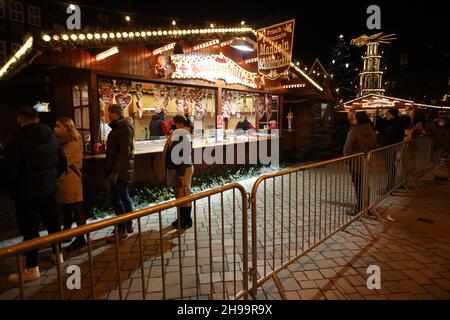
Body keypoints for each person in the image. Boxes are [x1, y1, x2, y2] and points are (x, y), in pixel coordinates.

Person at [6, 107, 67, 283]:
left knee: (30, 229)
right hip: (48, 191)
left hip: (26, 194)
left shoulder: (16, 141)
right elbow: (62, 163)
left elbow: (11, 172)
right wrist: (51, 179)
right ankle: (58, 255)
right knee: (52, 223)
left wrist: (13, 188)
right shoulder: (52, 138)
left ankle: (31, 268)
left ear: (20, 119)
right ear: (37, 119)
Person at [54, 117, 87, 251]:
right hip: (63, 179)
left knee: (76, 206)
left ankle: (81, 238)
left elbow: (62, 162)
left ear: (67, 127)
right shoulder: (60, 142)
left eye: (58, 125)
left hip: (70, 179)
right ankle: (67, 233)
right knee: (66, 208)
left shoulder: (73, 142)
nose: (55, 127)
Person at [105, 104, 135, 241]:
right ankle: (127, 224)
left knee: (116, 199)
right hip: (122, 169)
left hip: (121, 170)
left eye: (109, 112)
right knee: (123, 195)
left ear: (113, 113)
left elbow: (124, 152)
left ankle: (122, 229)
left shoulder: (123, 128)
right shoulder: (121, 127)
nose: (108, 115)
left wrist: (115, 171)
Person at [343, 111, 377, 215]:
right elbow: (374, 145)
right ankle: (365, 207)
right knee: (365, 185)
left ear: (358, 119)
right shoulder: (372, 131)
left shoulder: (354, 131)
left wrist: (347, 162)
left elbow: (347, 149)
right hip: (366, 162)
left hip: (356, 163)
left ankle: (359, 209)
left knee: (358, 185)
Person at [163, 115, 194, 229]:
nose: (173, 125)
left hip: (183, 169)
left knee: (184, 194)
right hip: (176, 168)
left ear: (179, 124)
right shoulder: (177, 134)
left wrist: (181, 174)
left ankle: (187, 220)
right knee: (179, 195)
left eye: (175, 123)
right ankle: (181, 218)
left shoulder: (184, 135)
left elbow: (184, 156)